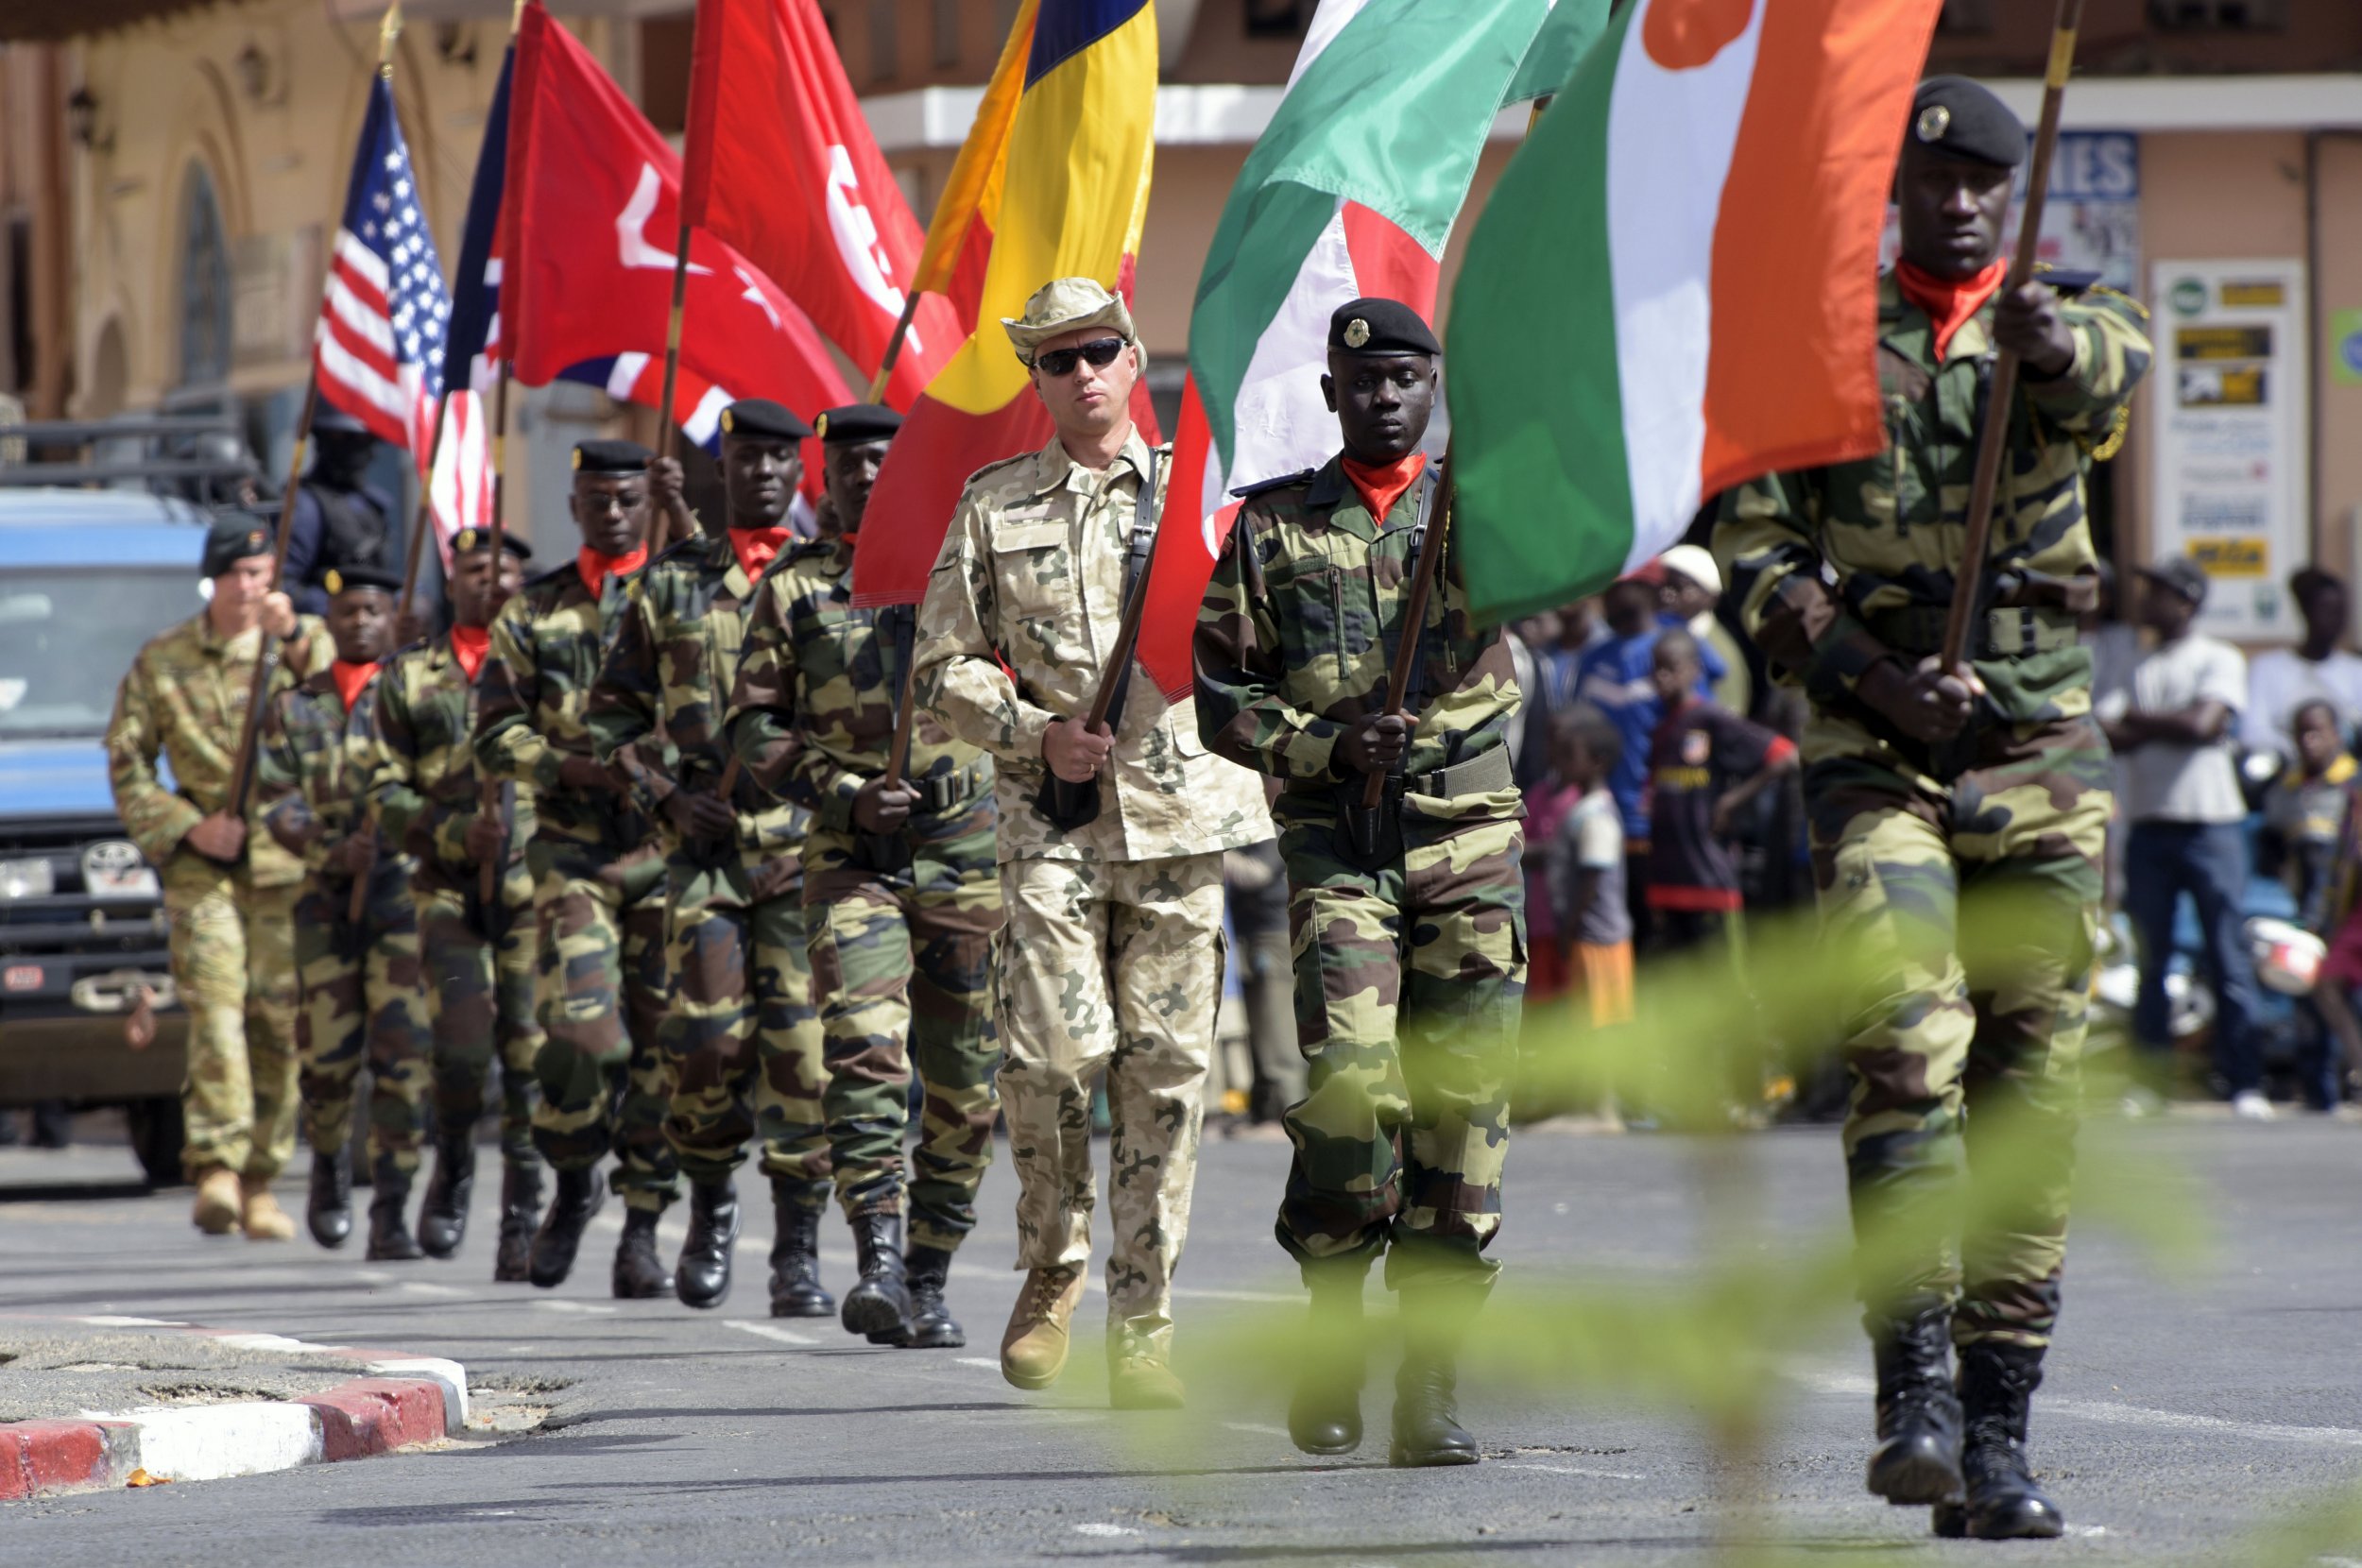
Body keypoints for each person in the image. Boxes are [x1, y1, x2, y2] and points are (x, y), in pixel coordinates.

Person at [1714, 77, 2149, 1541]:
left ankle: (2001, 1432)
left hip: (2040, 753)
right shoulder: (1818, 338)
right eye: (1934, 178)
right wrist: (1881, 682)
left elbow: (2107, 378)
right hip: (1877, 748)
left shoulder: (2073, 320)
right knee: (1907, 1048)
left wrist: (2054, 343)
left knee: (2031, 1096)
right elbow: (1759, 554)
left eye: (1984, 182)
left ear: (2010, 194)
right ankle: (1916, 1395)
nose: (1957, 199)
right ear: (1896, 188)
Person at [915, 277, 1272, 1409]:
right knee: (1055, 1060)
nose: (1081, 374)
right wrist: (1030, 731)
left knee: (1166, 1077)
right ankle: (1051, 1268)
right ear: (1037, 379)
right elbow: (939, 664)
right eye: (1057, 359)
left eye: (1099, 351)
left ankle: (1145, 1321)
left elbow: (1258, 635)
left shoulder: (1199, 500)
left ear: (1133, 361)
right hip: (1051, 821)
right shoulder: (993, 504)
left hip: (1180, 820)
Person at [1196, 297, 1524, 1467]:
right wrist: (1328, 745)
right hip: (1341, 844)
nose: (1384, 397)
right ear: (1331, 397)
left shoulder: (1486, 509)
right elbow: (1222, 698)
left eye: (1405, 379)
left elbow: (1539, 609)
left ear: (1432, 390)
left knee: (1463, 1109)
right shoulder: (1274, 527)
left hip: (1468, 839)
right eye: (1363, 382)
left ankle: (1429, 1386)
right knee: (1350, 1086)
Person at [727, 401, 1004, 1344]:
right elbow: (754, 727)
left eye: (882, 465)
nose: (865, 481)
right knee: (863, 1049)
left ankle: (931, 1266)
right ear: (826, 478)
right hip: (852, 861)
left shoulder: (968, 576)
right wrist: (842, 794)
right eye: (847, 468)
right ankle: (877, 1253)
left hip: (966, 848)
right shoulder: (794, 588)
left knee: (968, 1085)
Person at [589, 400, 832, 1313]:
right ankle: (712, 1203)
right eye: (747, 458)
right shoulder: (671, 582)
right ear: (721, 469)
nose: (764, 472)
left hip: (805, 851)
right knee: (701, 1047)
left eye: (780, 459)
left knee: (803, 1056)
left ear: (798, 472)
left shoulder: (824, 581)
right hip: (703, 858)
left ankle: (798, 1251)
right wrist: (661, 791)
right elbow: (611, 714)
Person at [474, 439, 681, 1297]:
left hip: (668, 850)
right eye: (597, 499)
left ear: (647, 502)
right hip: (573, 855)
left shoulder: (680, 595)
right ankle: (571, 1179)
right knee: (583, 1036)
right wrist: (572, 767)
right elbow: (494, 727)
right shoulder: (534, 611)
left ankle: (641, 1226)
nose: (613, 512)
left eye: (628, 499)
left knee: (670, 1045)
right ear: (576, 505)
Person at [108, 516, 330, 1238]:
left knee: (277, 1020)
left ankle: (264, 1174)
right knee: (218, 1008)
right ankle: (218, 1166)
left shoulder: (300, 646)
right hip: (205, 861)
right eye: (237, 574)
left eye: (261, 575)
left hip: (284, 859)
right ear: (214, 578)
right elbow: (127, 759)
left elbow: (345, 703)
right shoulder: (164, 659)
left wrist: (292, 638)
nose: (249, 587)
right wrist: (183, 826)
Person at [365, 526, 546, 1279]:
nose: (492, 580)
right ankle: (455, 1165)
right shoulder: (411, 676)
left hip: (535, 889)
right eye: (476, 569)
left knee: (533, 1058)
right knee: (465, 1053)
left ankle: (522, 1222)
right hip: (448, 894)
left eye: (506, 567)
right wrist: (445, 831)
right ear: (455, 580)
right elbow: (381, 787)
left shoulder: (546, 666)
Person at [255, 565, 431, 1259]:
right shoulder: (295, 705)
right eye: (348, 611)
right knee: (327, 1062)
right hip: (327, 904)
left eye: (374, 611)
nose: (360, 622)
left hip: (401, 901)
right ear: (328, 622)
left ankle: (391, 1205)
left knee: (402, 1058)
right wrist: (330, 848)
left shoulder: (414, 698)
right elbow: (277, 803)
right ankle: (327, 1163)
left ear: (394, 620)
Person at [2106, 557, 2266, 1119]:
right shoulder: (2134, 660)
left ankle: (2244, 1081)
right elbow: (2109, 732)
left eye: (2159, 592)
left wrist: (2143, 720)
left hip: (2212, 825)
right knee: (2153, 960)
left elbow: (2206, 725)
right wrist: (2169, 722)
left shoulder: (2218, 657)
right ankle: (2150, 1084)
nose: (2146, 599)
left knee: (2227, 953)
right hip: (2150, 827)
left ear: (2187, 602)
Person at [1643, 629, 1797, 959]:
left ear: (1694, 670)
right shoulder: (1661, 729)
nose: (1662, 677)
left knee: (1722, 982)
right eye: (1656, 668)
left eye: (1670, 667)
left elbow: (1784, 757)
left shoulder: (1710, 719)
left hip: (1708, 878)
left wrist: (1732, 801)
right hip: (1668, 879)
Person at [2259, 699, 2353, 1111]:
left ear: (2337, 733)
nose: (2311, 742)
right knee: (2309, 998)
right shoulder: (2288, 789)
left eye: (2319, 731)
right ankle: (2319, 1091)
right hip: (2308, 911)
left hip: (2349, 908)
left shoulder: (2352, 783)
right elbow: (2274, 846)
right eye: (2302, 733)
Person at [283, 408, 398, 617]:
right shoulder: (305, 505)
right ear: (322, 438)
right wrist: (343, 608)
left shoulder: (371, 502)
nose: (358, 448)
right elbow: (286, 585)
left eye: (366, 439)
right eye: (346, 438)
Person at [2241, 566, 2362, 759]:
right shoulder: (2266, 669)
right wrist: (2304, 750)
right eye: (2327, 610)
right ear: (2306, 611)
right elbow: (2253, 733)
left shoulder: (2356, 671)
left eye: (2340, 612)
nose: (2336, 620)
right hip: (2282, 781)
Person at [1657, 544, 1751, 720]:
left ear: (1711, 599)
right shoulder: (1656, 630)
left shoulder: (1719, 649)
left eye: (1680, 587)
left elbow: (1729, 714)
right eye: (1664, 584)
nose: (1667, 594)